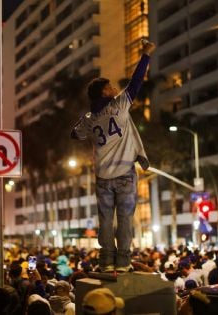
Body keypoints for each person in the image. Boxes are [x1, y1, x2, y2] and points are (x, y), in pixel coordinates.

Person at [71, 40, 156, 273]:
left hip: (102, 176)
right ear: (105, 92)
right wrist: (146, 55)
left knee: (106, 220)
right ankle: (123, 261)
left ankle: (106, 261)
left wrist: (90, 119)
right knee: (126, 219)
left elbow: (75, 134)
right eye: (110, 87)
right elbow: (136, 82)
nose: (114, 89)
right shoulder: (118, 106)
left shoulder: (89, 117)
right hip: (124, 174)